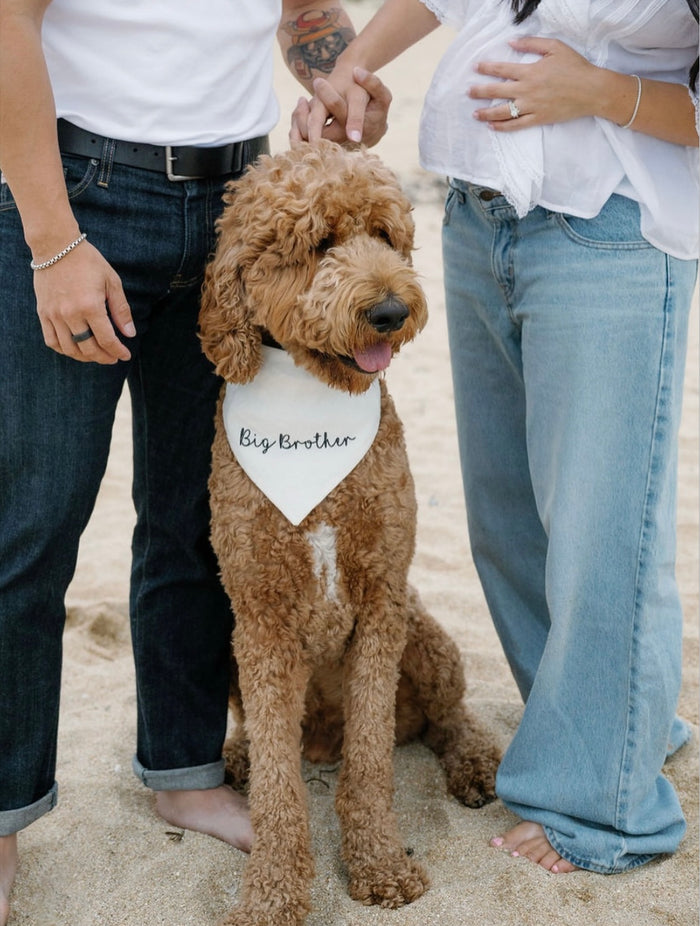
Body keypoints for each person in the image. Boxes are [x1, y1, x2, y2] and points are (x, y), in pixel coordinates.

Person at [0, 2, 390, 923]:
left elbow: (305, 14)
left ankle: (183, 769)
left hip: (235, 203)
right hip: (76, 191)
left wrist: (334, 79)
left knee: (193, 520)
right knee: (33, 522)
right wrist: (54, 243)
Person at [297, 0, 700, 876]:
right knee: (507, 521)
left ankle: (605, 811)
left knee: (603, 535)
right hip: (481, 225)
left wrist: (597, 90)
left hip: (608, 234)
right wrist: (351, 73)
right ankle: (620, 728)